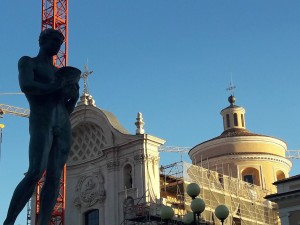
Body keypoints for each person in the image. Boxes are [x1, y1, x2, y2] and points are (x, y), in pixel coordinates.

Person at [3, 29, 80, 225]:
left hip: (62, 123)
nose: (58, 45)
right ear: (42, 41)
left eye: (60, 42)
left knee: (55, 178)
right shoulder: (29, 62)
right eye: (54, 40)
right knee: (36, 170)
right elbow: (27, 86)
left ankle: (43, 222)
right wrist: (58, 86)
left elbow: (66, 108)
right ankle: (9, 220)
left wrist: (73, 97)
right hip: (41, 120)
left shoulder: (58, 72)